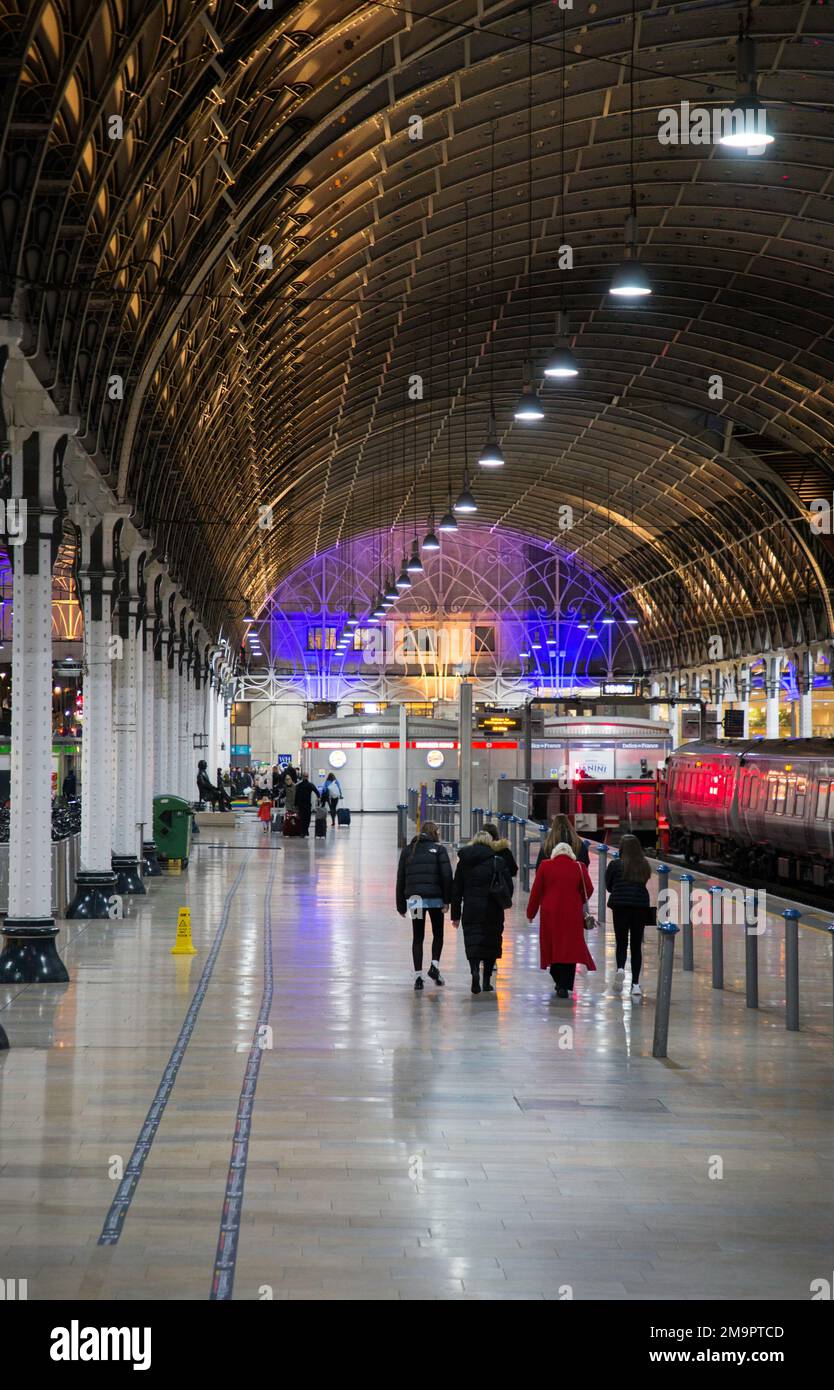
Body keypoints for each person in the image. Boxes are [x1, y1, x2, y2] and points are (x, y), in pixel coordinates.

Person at [526, 840, 596, 998]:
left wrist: (531, 913)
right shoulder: (579, 867)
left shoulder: (545, 866)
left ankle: (558, 979)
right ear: (571, 854)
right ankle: (565, 983)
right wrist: (578, 900)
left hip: (550, 913)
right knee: (570, 947)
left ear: (554, 854)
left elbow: (536, 892)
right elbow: (589, 889)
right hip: (572, 912)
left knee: (554, 944)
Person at [450, 825, 515, 995]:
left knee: (473, 941)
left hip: (471, 909)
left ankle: (474, 970)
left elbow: (456, 890)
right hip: (492, 909)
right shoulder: (497, 861)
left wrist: (455, 915)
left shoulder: (464, 862)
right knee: (490, 942)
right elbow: (509, 887)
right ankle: (486, 981)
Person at [396, 820, 453, 990]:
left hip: (415, 899)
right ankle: (434, 966)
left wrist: (401, 905)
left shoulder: (408, 850)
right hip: (436, 899)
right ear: (434, 833)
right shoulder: (439, 850)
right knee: (438, 933)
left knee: (418, 936)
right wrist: (447, 900)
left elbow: (401, 878)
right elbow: (447, 876)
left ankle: (418, 977)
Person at [605, 834, 652, 997]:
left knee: (621, 941)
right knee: (636, 945)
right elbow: (644, 881)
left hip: (620, 906)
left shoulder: (615, 864)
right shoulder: (644, 865)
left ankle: (620, 968)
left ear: (622, 849)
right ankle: (636, 985)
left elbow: (608, 886)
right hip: (641, 906)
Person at [293, 771, 319, 836]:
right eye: (306, 776)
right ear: (308, 777)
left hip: (301, 804)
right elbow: (317, 792)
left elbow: (296, 795)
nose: (305, 777)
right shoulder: (310, 785)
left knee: (302, 818)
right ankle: (305, 831)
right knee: (307, 818)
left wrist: (295, 804)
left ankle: (303, 832)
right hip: (307, 804)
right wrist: (318, 798)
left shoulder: (299, 785)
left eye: (305, 776)